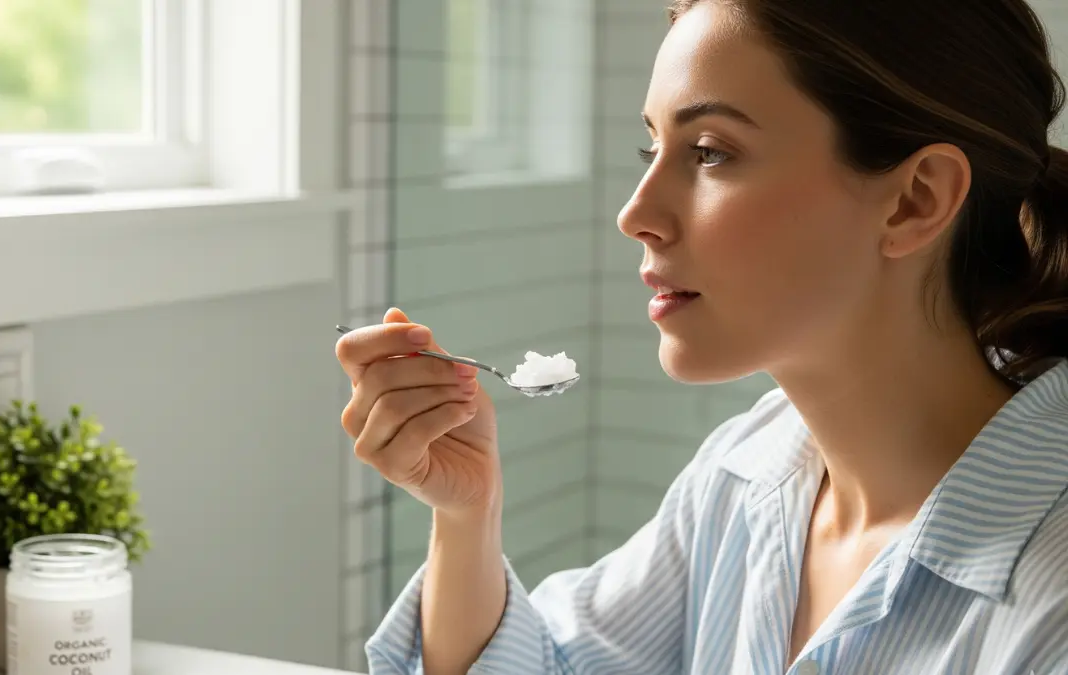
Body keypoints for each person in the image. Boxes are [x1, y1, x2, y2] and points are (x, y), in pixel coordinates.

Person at [334, 0, 1068, 672]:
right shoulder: (743, 477)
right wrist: (469, 512)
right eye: (651, 147)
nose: (635, 212)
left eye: (711, 151)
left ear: (916, 199)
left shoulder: (1049, 596)